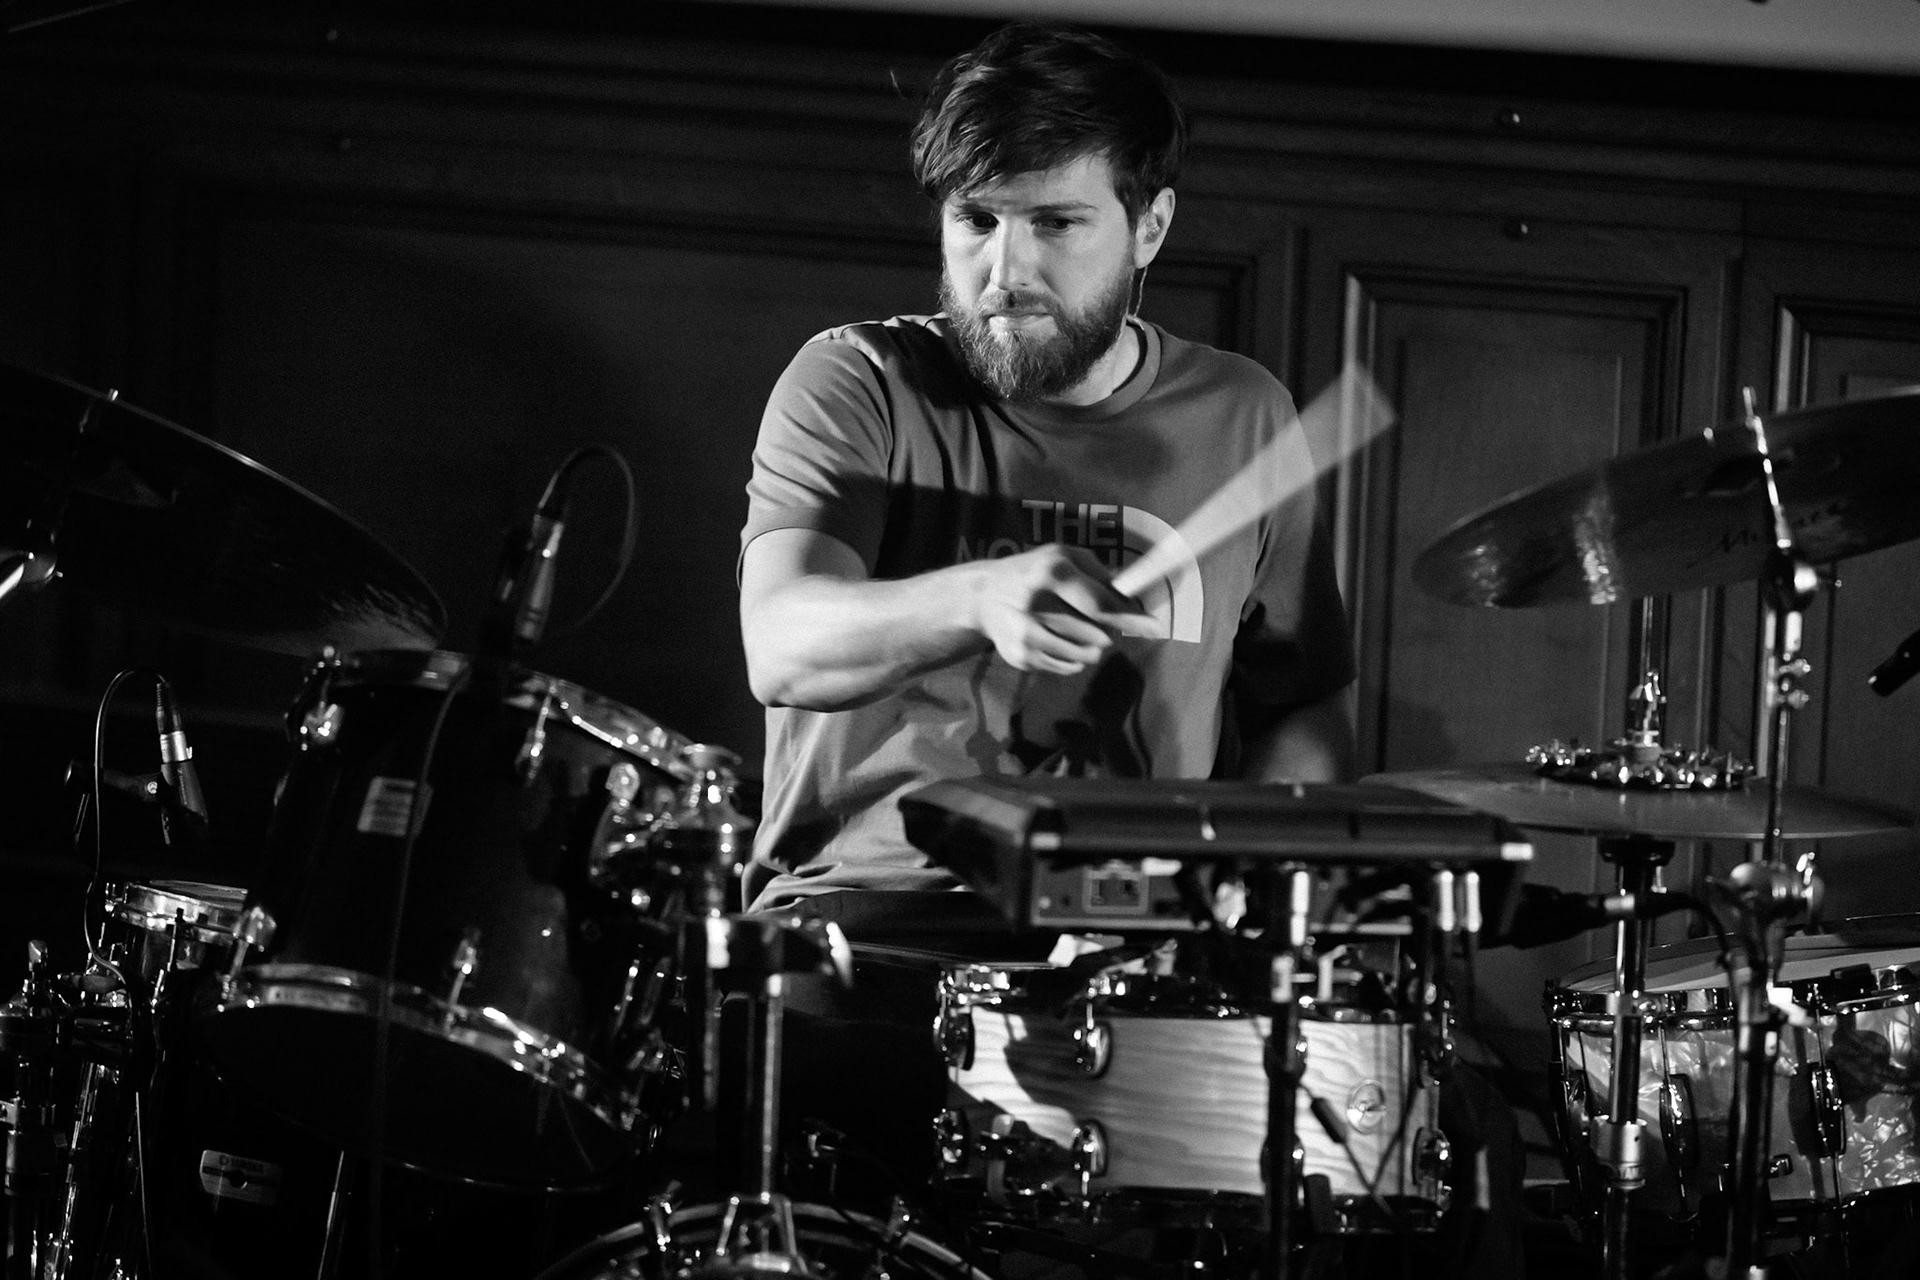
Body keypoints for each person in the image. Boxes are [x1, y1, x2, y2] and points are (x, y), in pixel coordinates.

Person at [728, 21, 1506, 1274]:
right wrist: (975, 593)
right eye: (975, 223)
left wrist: (1234, 902)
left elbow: (1304, 711)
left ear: (1148, 230)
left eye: (1055, 225)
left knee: (1437, 1144)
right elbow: (784, 642)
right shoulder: (859, 381)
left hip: (1143, 957)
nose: (1003, 269)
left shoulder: (1242, 412)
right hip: (871, 939)